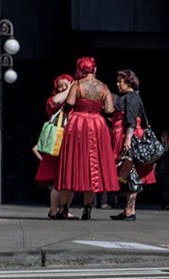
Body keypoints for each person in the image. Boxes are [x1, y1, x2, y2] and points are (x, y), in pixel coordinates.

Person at [56, 57, 119, 220]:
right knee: (93, 166)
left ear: (81, 69)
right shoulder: (103, 87)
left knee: (71, 165)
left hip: (78, 125)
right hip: (97, 125)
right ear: (94, 69)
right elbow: (110, 110)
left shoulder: (76, 85)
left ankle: (63, 207)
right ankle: (87, 206)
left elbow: (68, 106)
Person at [110, 69, 156, 221]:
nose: (117, 84)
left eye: (120, 81)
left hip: (128, 136)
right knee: (128, 172)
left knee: (130, 171)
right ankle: (128, 210)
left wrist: (128, 140)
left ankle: (130, 210)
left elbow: (131, 120)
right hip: (127, 135)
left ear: (128, 82)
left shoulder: (131, 97)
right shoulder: (131, 97)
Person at [34, 74, 75, 219]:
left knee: (70, 181)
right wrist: (70, 88)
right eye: (60, 86)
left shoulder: (76, 103)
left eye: (66, 84)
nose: (63, 88)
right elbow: (56, 101)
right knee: (59, 180)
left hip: (72, 142)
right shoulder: (53, 101)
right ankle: (53, 210)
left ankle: (65, 210)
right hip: (57, 144)